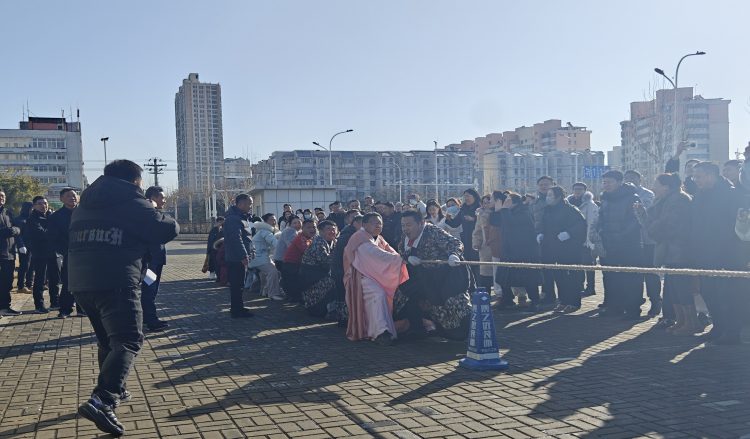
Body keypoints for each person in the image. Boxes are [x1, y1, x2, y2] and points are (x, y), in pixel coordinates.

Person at [69, 159, 178, 436]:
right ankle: (103, 399)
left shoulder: (85, 204)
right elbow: (166, 229)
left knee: (108, 340)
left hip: (81, 282)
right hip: (116, 280)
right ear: (135, 180)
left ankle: (114, 387)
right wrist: (154, 209)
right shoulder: (131, 200)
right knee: (129, 339)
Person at [689, 162, 746, 345]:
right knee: (709, 293)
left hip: (728, 255)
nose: (695, 180)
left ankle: (732, 332)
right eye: (694, 176)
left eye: (698, 176)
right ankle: (718, 327)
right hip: (704, 254)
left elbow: (740, 228)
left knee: (728, 296)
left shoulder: (732, 195)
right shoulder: (699, 196)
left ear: (711, 176)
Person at [635, 173, 697, 334]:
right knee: (673, 288)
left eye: (656, 184)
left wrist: (652, 227)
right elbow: (655, 224)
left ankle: (691, 322)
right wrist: (642, 214)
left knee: (682, 287)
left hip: (680, 251)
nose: (653, 187)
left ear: (666, 187)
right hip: (670, 250)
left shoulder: (679, 200)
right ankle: (680, 320)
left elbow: (668, 226)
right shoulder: (664, 200)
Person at [398, 210, 473, 340]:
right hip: (424, 277)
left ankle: (471, 331)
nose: (405, 228)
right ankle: (419, 329)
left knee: (456, 302)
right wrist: (408, 257)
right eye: (403, 225)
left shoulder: (433, 231)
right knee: (406, 295)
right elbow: (401, 250)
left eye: (409, 225)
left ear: (421, 223)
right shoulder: (405, 236)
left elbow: (455, 243)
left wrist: (454, 255)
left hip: (446, 274)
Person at [345, 213, 410, 345]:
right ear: (364, 224)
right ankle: (381, 332)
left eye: (380, 223)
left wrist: (400, 258)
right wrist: (402, 260)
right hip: (359, 276)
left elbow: (390, 251)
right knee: (378, 294)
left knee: (380, 295)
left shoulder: (378, 238)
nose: (378, 225)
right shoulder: (359, 237)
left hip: (371, 275)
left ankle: (380, 330)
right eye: (374, 223)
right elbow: (376, 254)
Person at [597, 170, 644, 319]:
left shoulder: (632, 197)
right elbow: (601, 219)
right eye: (604, 182)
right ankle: (614, 307)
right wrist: (601, 233)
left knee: (630, 278)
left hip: (629, 245)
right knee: (612, 278)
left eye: (609, 182)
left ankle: (632, 310)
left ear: (619, 182)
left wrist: (620, 236)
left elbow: (635, 221)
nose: (606, 185)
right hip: (609, 244)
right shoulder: (605, 198)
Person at [539, 186, 587, 312]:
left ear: (559, 197)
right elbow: (542, 224)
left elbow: (581, 225)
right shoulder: (547, 210)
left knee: (571, 276)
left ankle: (574, 302)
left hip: (569, 249)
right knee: (559, 276)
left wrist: (569, 233)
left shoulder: (570, 210)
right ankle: (563, 301)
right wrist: (540, 233)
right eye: (547, 195)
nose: (548, 198)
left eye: (550, 195)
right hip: (553, 248)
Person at [490, 193, 541, 310]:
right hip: (508, 250)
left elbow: (510, 225)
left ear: (514, 202)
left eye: (507, 200)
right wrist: (497, 211)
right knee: (503, 276)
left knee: (528, 278)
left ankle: (535, 301)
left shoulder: (524, 212)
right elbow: (495, 223)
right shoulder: (508, 212)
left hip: (524, 251)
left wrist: (504, 210)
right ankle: (507, 299)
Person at [625, 170, 661, 317]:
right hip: (632, 242)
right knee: (634, 275)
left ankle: (655, 301)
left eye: (633, 178)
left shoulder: (647, 194)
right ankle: (634, 305)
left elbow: (645, 214)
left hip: (648, 241)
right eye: (627, 178)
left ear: (640, 180)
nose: (630, 180)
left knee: (651, 274)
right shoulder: (622, 195)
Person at [48, 188, 83, 318]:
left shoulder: (85, 212)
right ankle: (65, 309)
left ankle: (82, 309)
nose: (72, 198)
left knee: (84, 281)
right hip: (69, 253)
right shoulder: (56, 216)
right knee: (68, 282)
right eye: (68, 196)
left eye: (74, 195)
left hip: (86, 252)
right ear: (61, 199)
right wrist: (65, 251)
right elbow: (53, 237)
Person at [139, 186, 170, 330]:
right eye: (162, 197)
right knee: (149, 290)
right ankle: (150, 320)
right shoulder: (148, 216)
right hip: (151, 261)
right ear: (152, 198)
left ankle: (148, 318)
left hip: (157, 260)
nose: (164, 200)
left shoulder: (155, 214)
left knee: (152, 290)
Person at [223, 194, 255, 318]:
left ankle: (238, 307)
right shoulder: (233, 219)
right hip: (236, 258)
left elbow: (246, 237)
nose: (250, 206)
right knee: (237, 285)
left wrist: (251, 251)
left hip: (238, 257)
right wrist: (243, 255)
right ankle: (236, 310)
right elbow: (236, 239)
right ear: (241, 204)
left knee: (239, 285)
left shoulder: (240, 217)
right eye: (249, 204)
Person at [25, 195, 59, 313]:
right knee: (40, 280)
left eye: (45, 203)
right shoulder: (32, 219)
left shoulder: (51, 217)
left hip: (53, 251)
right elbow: (41, 233)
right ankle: (39, 305)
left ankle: (55, 302)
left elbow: (56, 232)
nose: (43, 205)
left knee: (54, 278)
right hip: (39, 252)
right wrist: (52, 233)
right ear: (34, 206)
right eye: (40, 203)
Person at [300, 220, 340, 318]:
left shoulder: (334, 241)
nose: (332, 231)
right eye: (328, 229)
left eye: (334, 229)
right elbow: (325, 260)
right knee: (335, 281)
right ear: (321, 231)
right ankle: (321, 309)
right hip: (311, 275)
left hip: (322, 272)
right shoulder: (318, 242)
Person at [330, 213, 364, 323]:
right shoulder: (349, 236)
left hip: (339, 268)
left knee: (342, 294)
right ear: (356, 223)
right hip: (342, 269)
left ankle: (343, 318)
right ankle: (344, 319)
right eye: (363, 224)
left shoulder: (347, 232)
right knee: (344, 294)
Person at [445, 189, 482, 280]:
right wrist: (448, 218)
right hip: (466, 239)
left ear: (474, 197)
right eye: (465, 196)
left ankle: (480, 284)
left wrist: (473, 219)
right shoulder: (463, 209)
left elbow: (485, 222)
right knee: (467, 262)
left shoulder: (480, 208)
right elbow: (455, 223)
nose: (466, 198)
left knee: (477, 263)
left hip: (478, 238)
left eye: (468, 196)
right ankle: (470, 283)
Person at [532, 176, 556, 305]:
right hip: (538, 237)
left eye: (546, 184)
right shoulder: (535, 202)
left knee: (552, 269)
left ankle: (552, 296)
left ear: (552, 185)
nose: (543, 186)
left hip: (552, 238)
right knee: (543, 268)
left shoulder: (556, 200)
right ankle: (546, 294)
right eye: (541, 184)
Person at [282, 219, 317, 302]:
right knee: (294, 284)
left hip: (297, 264)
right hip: (291, 264)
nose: (312, 229)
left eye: (314, 227)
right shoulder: (301, 238)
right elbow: (307, 252)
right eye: (309, 227)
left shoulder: (310, 238)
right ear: (303, 228)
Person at [250, 213, 283, 300]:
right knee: (273, 271)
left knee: (269, 272)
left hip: (259, 257)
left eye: (275, 219)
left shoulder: (263, 230)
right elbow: (274, 242)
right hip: (259, 257)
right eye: (271, 219)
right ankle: (273, 294)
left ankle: (265, 290)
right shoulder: (265, 231)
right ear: (265, 221)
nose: (274, 221)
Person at [0, 190, 23, 316]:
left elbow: (17, 227)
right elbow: (6, 231)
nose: (1, 198)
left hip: (9, 253)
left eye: (2, 196)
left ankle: (5, 307)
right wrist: (8, 231)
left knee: (7, 282)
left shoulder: (7, 212)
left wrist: (15, 230)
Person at [471, 194, 496, 291]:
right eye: (484, 203)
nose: (486, 205)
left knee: (497, 270)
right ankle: (486, 294)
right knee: (485, 271)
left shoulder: (498, 213)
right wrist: (476, 243)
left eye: (488, 202)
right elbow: (477, 231)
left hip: (497, 245)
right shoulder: (481, 215)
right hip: (485, 246)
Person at [578, 191, 599, 296]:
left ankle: (590, 287)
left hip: (587, 242)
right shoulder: (571, 201)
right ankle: (580, 286)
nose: (577, 191)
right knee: (580, 265)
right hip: (578, 240)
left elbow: (591, 223)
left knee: (589, 265)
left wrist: (589, 240)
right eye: (575, 189)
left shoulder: (590, 205)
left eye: (580, 189)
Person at [12, 201, 33, 294]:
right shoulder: (19, 219)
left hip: (32, 246)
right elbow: (18, 234)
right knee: (24, 266)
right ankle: (21, 286)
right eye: (31, 208)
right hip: (24, 246)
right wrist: (21, 245)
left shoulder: (31, 218)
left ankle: (29, 284)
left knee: (31, 266)